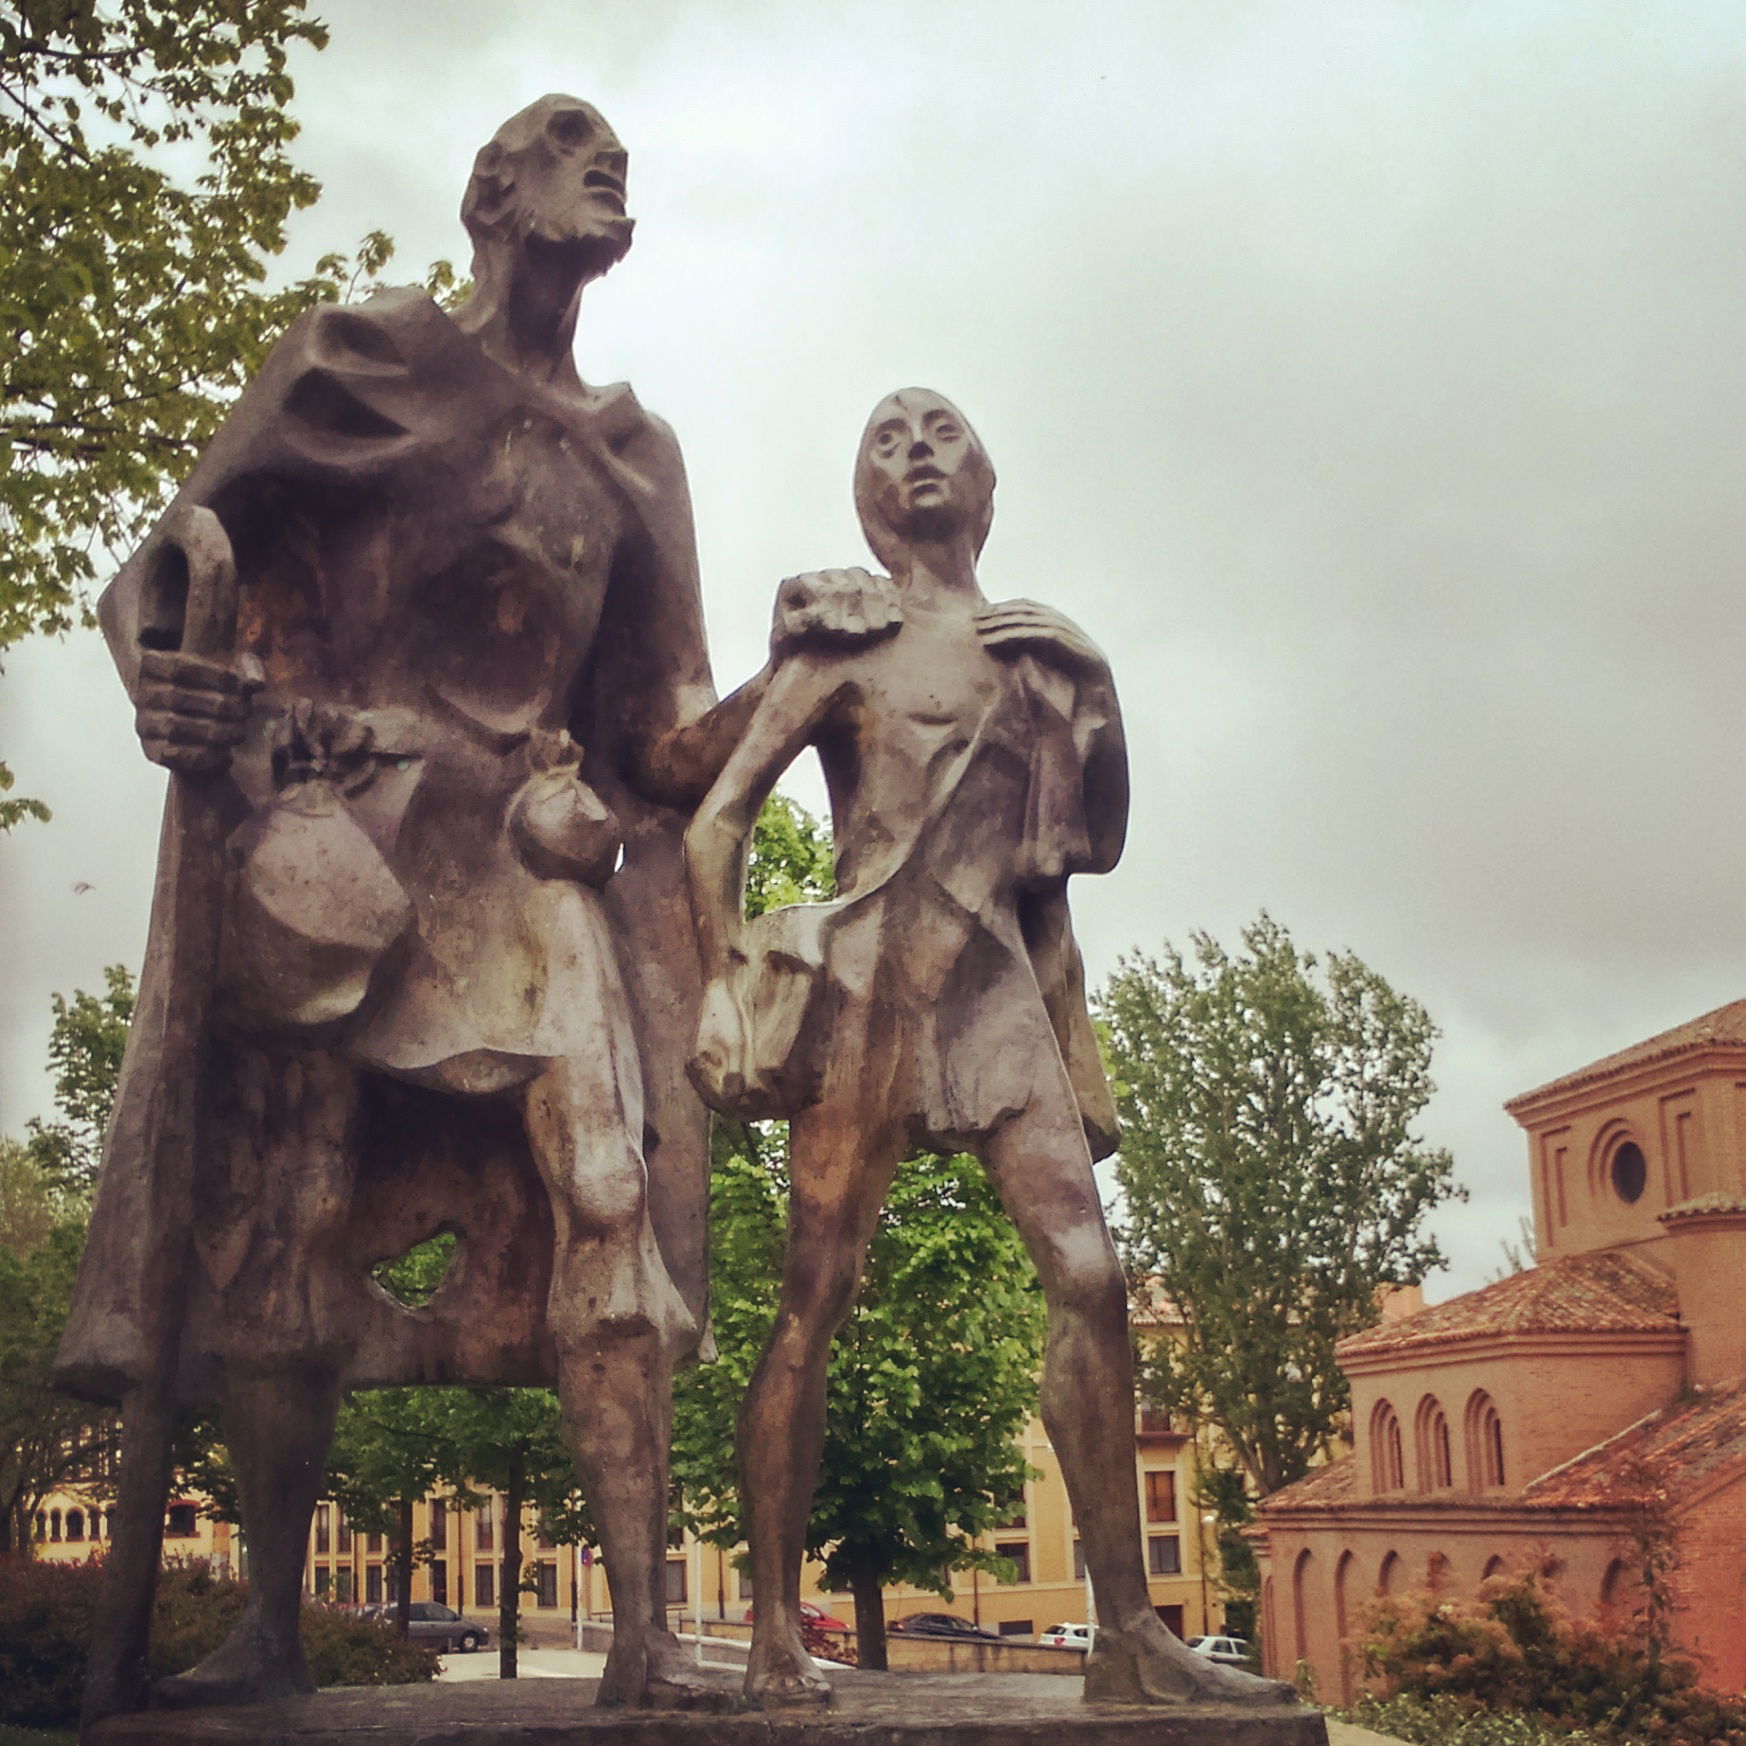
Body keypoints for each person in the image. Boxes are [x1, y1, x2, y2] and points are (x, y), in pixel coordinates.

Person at [56, 96, 754, 1712]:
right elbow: (165, 568)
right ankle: (275, 1623)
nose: (608, 163)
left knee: (608, 1195)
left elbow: (665, 729)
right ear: (488, 192)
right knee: (281, 1218)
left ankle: (645, 1634)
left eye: (619, 158)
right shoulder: (356, 361)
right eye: (569, 142)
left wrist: (804, 682)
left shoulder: (635, 456)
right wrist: (175, 686)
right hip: (341, 852)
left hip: (527, 857)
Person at [685, 389, 1292, 1709]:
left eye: (941, 432)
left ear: (988, 480)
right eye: (886, 439)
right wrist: (731, 970)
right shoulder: (845, 635)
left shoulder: (1034, 651)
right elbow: (714, 819)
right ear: (862, 494)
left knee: (1090, 1273)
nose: (915, 451)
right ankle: (778, 1632)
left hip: (999, 992)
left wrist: (1095, 673)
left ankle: (1127, 1633)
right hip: (867, 993)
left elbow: (1090, 841)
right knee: (813, 1300)